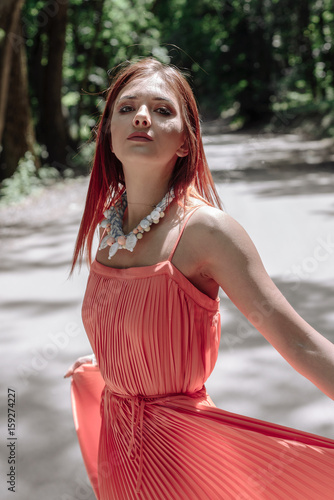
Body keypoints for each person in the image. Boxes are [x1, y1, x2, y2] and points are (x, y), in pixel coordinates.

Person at [64, 57, 334, 500]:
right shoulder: (108, 232)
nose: (142, 117)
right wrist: (111, 365)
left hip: (183, 460)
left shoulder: (207, 232)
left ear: (187, 142)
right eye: (127, 107)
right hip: (116, 451)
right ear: (107, 134)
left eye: (162, 109)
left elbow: (299, 342)